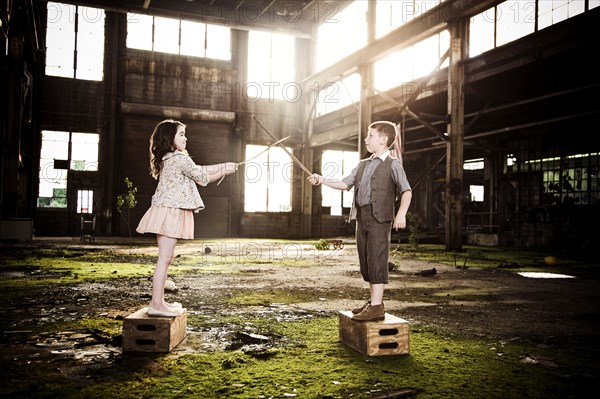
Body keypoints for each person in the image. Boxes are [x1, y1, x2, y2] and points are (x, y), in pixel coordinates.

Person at [308, 121, 412, 322]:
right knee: (365, 263)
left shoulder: (393, 164)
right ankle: (375, 302)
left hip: (380, 219)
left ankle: (376, 307)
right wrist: (321, 179)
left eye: (370, 136)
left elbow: (406, 190)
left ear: (384, 140)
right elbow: (343, 183)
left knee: (376, 260)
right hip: (361, 218)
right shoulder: (362, 165)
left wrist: (401, 214)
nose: (366, 139)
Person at [136, 119, 238, 317]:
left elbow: (197, 168)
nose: (186, 137)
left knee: (166, 258)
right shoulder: (180, 159)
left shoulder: (169, 158)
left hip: (166, 209)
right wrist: (225, 170)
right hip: (171, 210)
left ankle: (159, 302)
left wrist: (223, 165)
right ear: (170, 138)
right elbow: (203, 177)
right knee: (164, 259)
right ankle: (156, 303)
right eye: (181, 134)